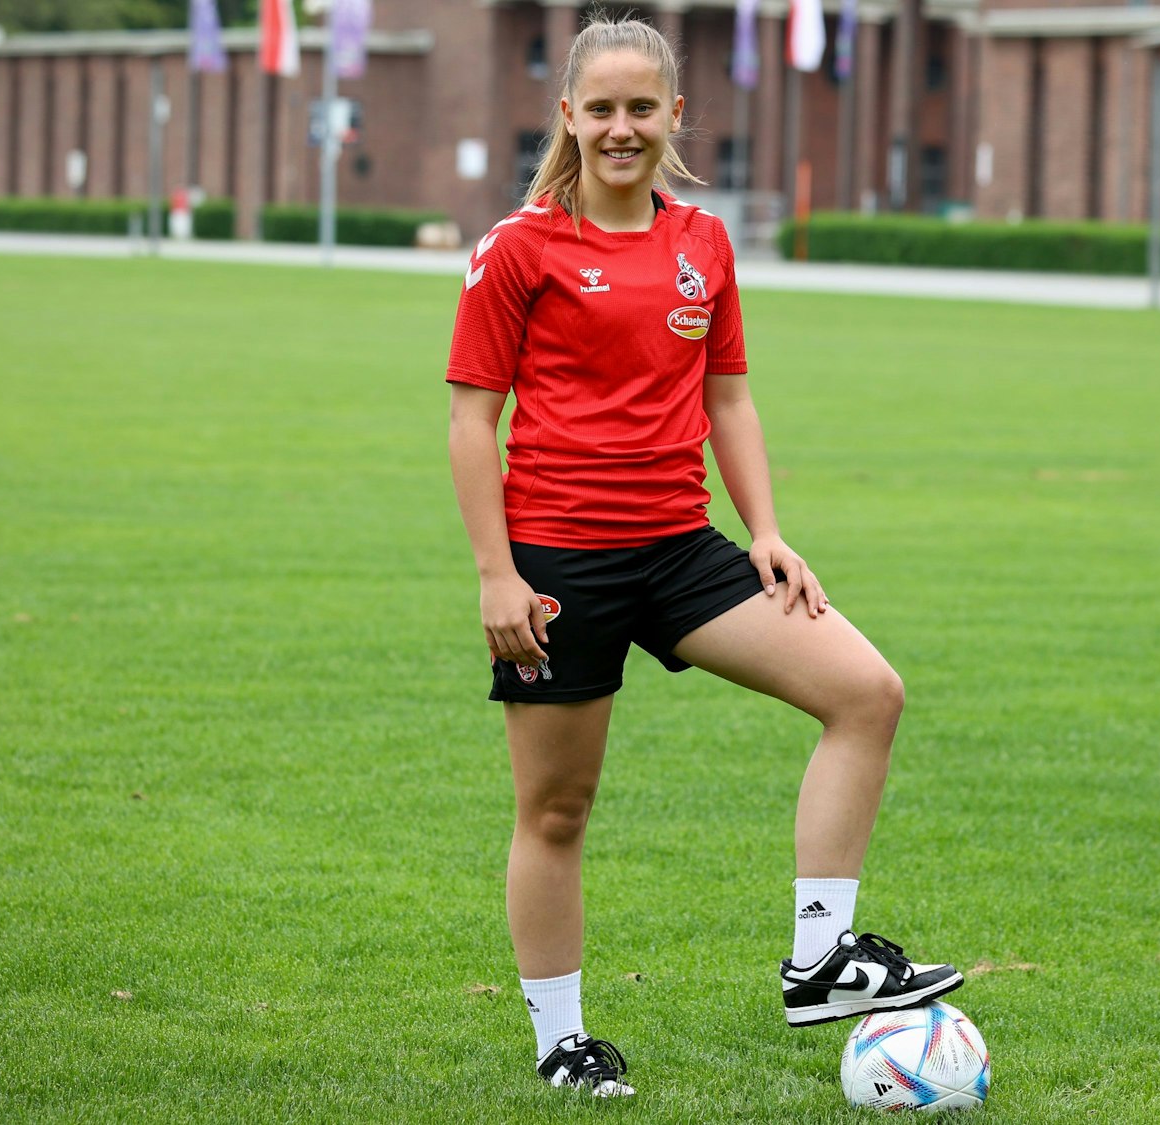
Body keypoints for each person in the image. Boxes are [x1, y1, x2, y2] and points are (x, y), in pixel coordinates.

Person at [445, 15, 961, 1099]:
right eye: (602, 109)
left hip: (682, 549)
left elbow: (726, 396)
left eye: (643, 108)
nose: (622, 128)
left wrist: (764, 530)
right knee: (555, 811)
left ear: (675, 116)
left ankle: (821, 960)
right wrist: (497, 575)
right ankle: (560, 1040)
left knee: (866, 692)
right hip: (558, 567)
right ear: (569, 118)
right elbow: (468, 423)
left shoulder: (704, 243)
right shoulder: (519, 248)